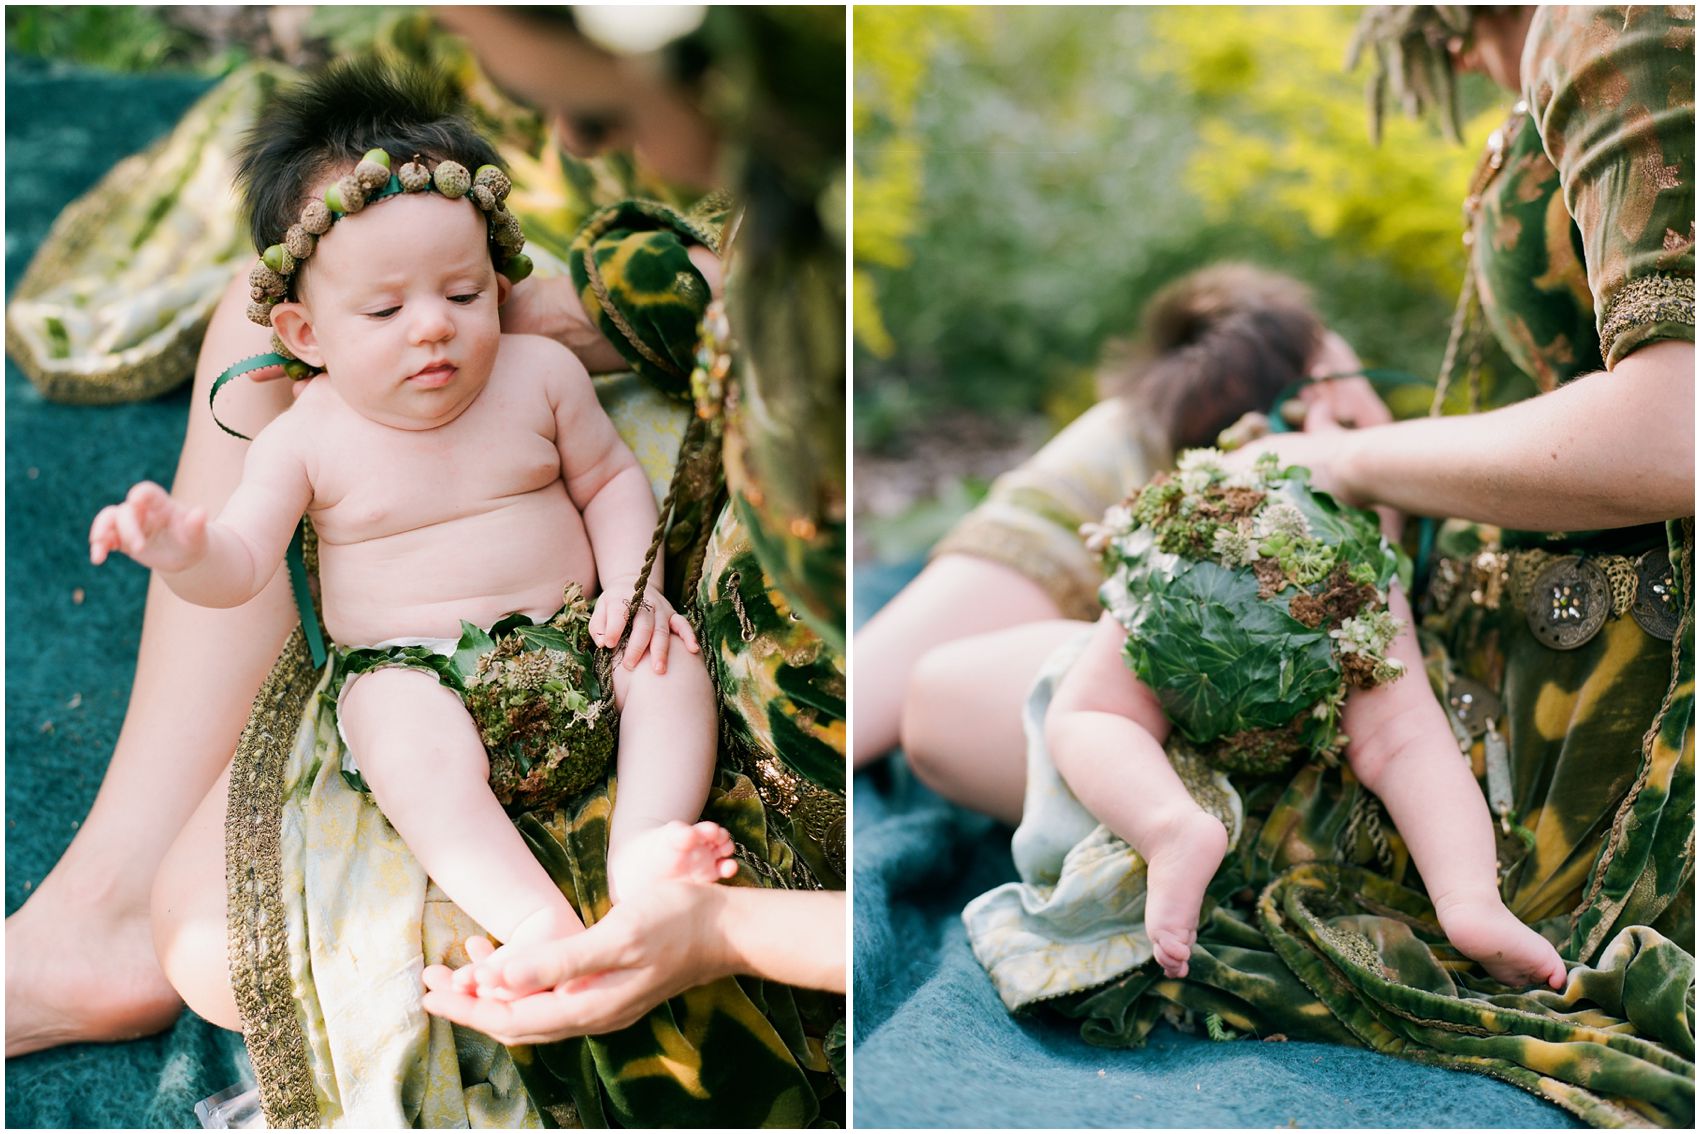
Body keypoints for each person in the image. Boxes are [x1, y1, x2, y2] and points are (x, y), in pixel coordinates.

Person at [84, 62, 739, 1031]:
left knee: (668, 665)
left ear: (501, 284)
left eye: (464, 294)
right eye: (385, 312)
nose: (433, 328)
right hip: (423, 675)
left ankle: (646, 850)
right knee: (394, 732)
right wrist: (183, 546)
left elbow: (608, 481)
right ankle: (533, 921)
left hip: (575, 640)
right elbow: (241, 565)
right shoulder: (302, 438)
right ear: (305, 332)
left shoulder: (540, 374)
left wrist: (634, 588)